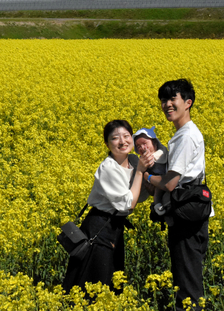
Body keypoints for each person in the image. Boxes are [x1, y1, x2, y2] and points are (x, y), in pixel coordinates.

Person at [139, 79, 213, 311]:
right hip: (191, 208)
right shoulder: (185, 133)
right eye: (163, 100)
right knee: (188, 278)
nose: (167, 104)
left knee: (188, 285)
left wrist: (146, 177)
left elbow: (171, 183)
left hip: (185, 213)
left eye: (173, 99)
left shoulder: (185, 136)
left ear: (188, 103)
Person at [62, 120, 147, 293]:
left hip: (114, 227)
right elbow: (128, 204)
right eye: (115, 138)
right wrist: (140, 172)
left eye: (126, 136)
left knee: (112, 279)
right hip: (99, 227)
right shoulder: (108, 168)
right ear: (107, 144)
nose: (122, 141)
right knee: (95, 280)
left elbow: (138, 194)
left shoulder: (132, 160)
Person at [132, 126, 169, 219]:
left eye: (144, 143)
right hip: (152, 182)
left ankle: (158, 204)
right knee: (156, 191)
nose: (142, 147)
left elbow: (162, 155)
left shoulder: (161, 152)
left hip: (163, 180)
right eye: (138, 146)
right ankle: (157, 206)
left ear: (154, 142)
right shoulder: (141, 159)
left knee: (158, 190)